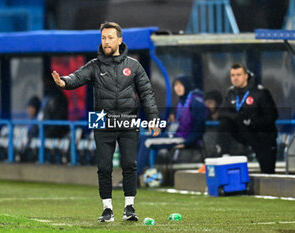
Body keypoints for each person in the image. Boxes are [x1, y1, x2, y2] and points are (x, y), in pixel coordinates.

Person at [51, 22, 160, 222]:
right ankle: (107, 209)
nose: (106, 41)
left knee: (129, 164)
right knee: (104, 166)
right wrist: (63, 82)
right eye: (103, 38)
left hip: (128, 121)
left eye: (110, 37)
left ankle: (129, 207)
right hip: (101, 120)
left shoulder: (134, 66)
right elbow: (77, 77)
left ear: (120, 40)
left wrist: (153, 118)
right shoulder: (94, 65)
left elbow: (147, 93)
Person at [137, 75, 207, 175]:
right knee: (142, 138)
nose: (177, 88)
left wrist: (187, 142)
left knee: (147, 141)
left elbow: (200, 127)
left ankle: (134, 177)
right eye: (175, 85)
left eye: (180, 85)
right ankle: (136, 172)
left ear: (186, 85)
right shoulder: (182, 101)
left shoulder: (195, 101)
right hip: (176, 135)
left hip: (184, 138)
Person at [217, 63, 278, 174]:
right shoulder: (230, 93)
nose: (235, 78)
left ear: (246, 76)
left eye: (238, 75)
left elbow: (272, 116)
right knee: (224, 123)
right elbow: (222, 113)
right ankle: (224, 153)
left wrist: (252, 122)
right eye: (232, 75)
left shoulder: (260, 93)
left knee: (267, 170)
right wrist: (239, 118)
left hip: (261, 135)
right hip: (241, 133)